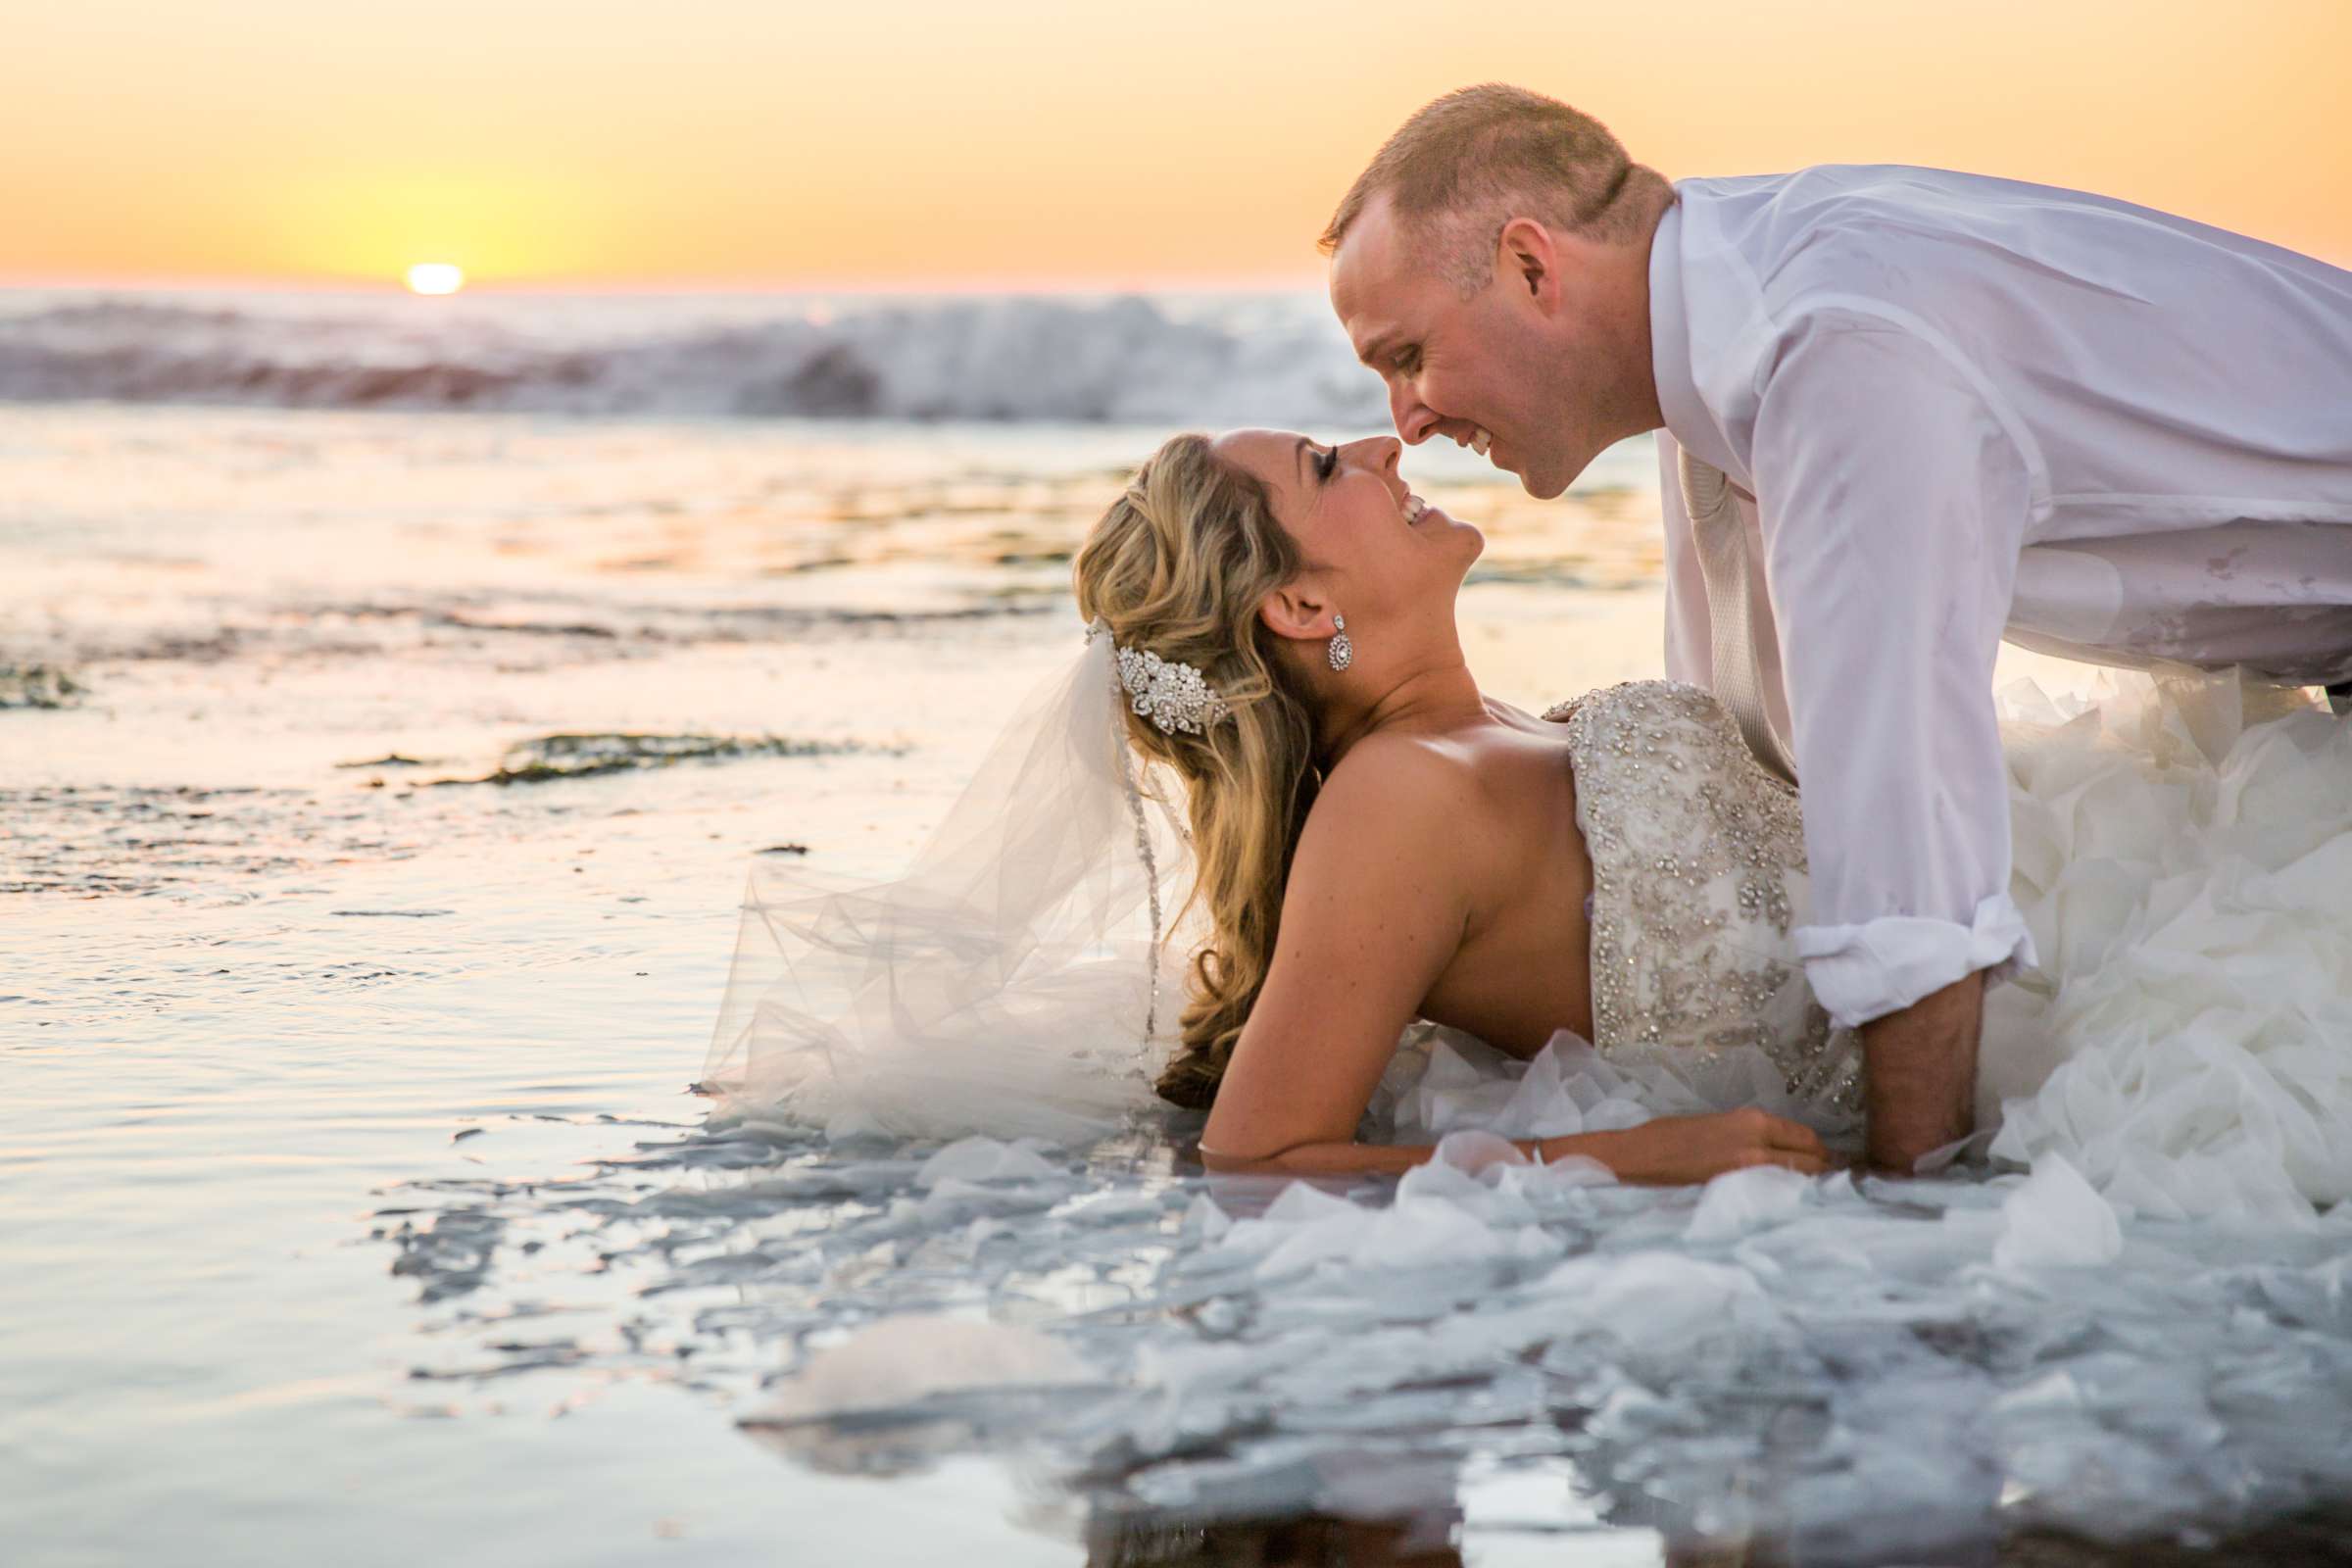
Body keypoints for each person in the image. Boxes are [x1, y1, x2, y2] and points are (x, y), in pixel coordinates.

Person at [702, 426, 2352, 1214]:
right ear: (1297, 609)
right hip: (2027, 1039)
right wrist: (1633, 1156)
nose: (1378, 437)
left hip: (2032, 909)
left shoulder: (1492, 732)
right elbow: (1256, 1159)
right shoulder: (1395, 807)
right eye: (1326, 469)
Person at [1316, 84, 2352, 1174]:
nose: (1409, 421)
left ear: (1533, 267)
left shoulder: (1828, 349)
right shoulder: (1716, 343)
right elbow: (1753, 766)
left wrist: (1902, 1243)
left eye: (1407, 356)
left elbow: (1904, 846)